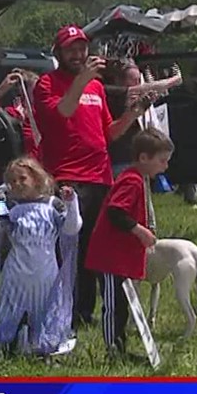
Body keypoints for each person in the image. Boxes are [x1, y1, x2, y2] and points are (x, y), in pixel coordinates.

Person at [31, 25, 153, 330]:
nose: (79, 54)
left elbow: (108, 133)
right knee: (67, 250)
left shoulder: (97, 89)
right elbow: (61, 114)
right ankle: (65, 312)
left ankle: (85, 311)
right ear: (58, 53)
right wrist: (82, 81)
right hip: (67, 179)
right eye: (71, 49)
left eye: (82, 48)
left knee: (94, 251)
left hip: (100, 178)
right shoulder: (47, 83)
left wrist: (132, 115)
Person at [84, 127, 173, 357]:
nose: (165, 166)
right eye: (162, 161)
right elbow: (116, 212)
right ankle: (113, 349)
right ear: (144, 158)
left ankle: (120, 346)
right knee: (114, 306)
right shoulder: (131, 181)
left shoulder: (137, 179)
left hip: (120, 258)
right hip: (110, 257)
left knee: (123, 304)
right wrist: (139, 231)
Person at [0, 157, 81, 357]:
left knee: (44, 307)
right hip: (16, 272)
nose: (17, 184)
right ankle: (10, 343)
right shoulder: (10, 206)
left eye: (22, 178)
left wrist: (72, 204)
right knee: (12, 308)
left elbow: (72, 228)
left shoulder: (54, 205)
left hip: (46, 271)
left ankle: (41, 344)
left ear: (36, 178)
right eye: (12, 181)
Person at [0, 68, 41, 161]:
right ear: (22, 92)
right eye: (34, 89)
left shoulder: (46, 114)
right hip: (23, 167)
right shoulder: (12, 115)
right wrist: (0, 91)